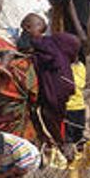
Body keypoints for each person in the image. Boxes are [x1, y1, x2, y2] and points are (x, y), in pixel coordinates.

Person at [20, 13, 79, 158]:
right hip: (65, 82)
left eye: (25, 29)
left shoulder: (37, 42)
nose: (24, 33)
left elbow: (24, 48)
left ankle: (62, 145)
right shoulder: (56, 41)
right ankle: (60, 144)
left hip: (54, 84)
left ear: (28, 28)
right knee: (54, 115)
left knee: (47, 114)